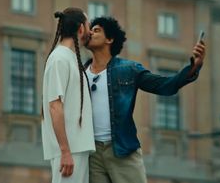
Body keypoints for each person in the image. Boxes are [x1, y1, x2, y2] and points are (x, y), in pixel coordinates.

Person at [84, 17, 206, 183]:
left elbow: (165, 85)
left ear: (109, 39)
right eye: (90, 29)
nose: (90, 32)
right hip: (92, 153)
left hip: (122, 150)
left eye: (96, 30)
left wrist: (193, 67)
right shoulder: (81, 72)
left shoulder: (128, 69)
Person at [41, 7, 95, 183]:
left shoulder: (70, 58)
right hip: (68, 151)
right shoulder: (60, 59)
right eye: (89, 26)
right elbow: (54, 106)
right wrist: (65, 151)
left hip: (76, 149)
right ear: (80, 28)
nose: (91, 31)